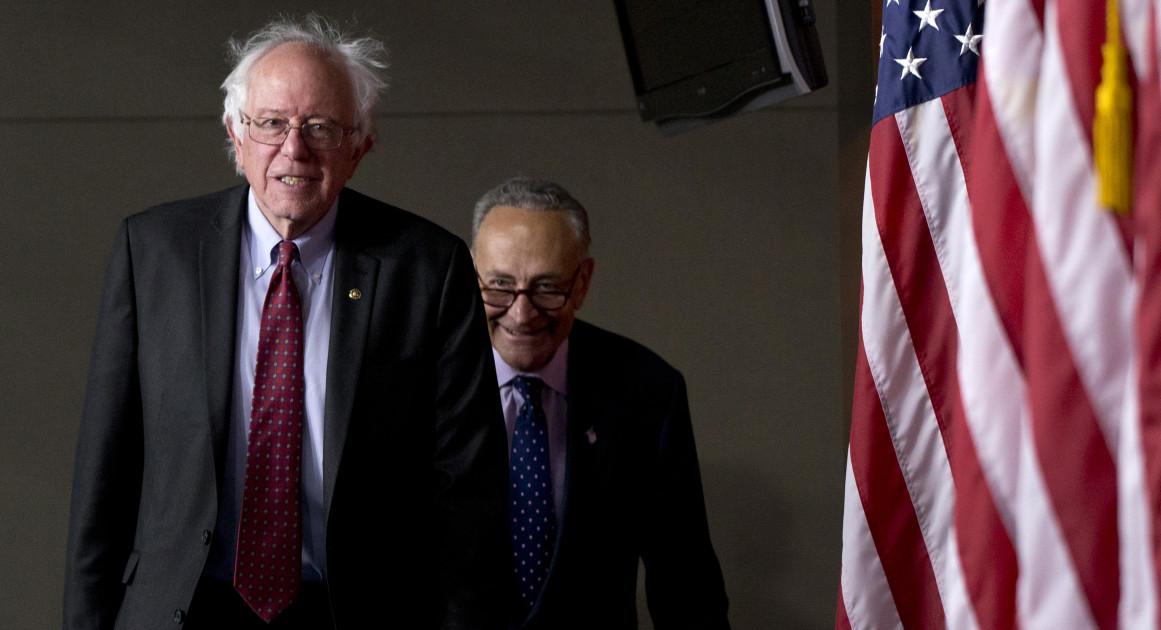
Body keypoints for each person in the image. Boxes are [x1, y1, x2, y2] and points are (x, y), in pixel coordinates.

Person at [63, 15, 508, 629]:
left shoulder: (428, 268)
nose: (293, 149)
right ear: (235, 133)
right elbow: (104, 474)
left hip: (354, 609)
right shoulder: (154, 250)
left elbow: (469, 493)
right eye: (271, 123)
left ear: (359, 147)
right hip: (183, 608)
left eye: (320, 128)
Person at [470, 177, 731, 630]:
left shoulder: (646, 391)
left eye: (547, 288)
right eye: (499, 286)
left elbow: (686, 586)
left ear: (583, 282)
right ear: (472, 275)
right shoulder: (421, 382)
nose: (521, 313)